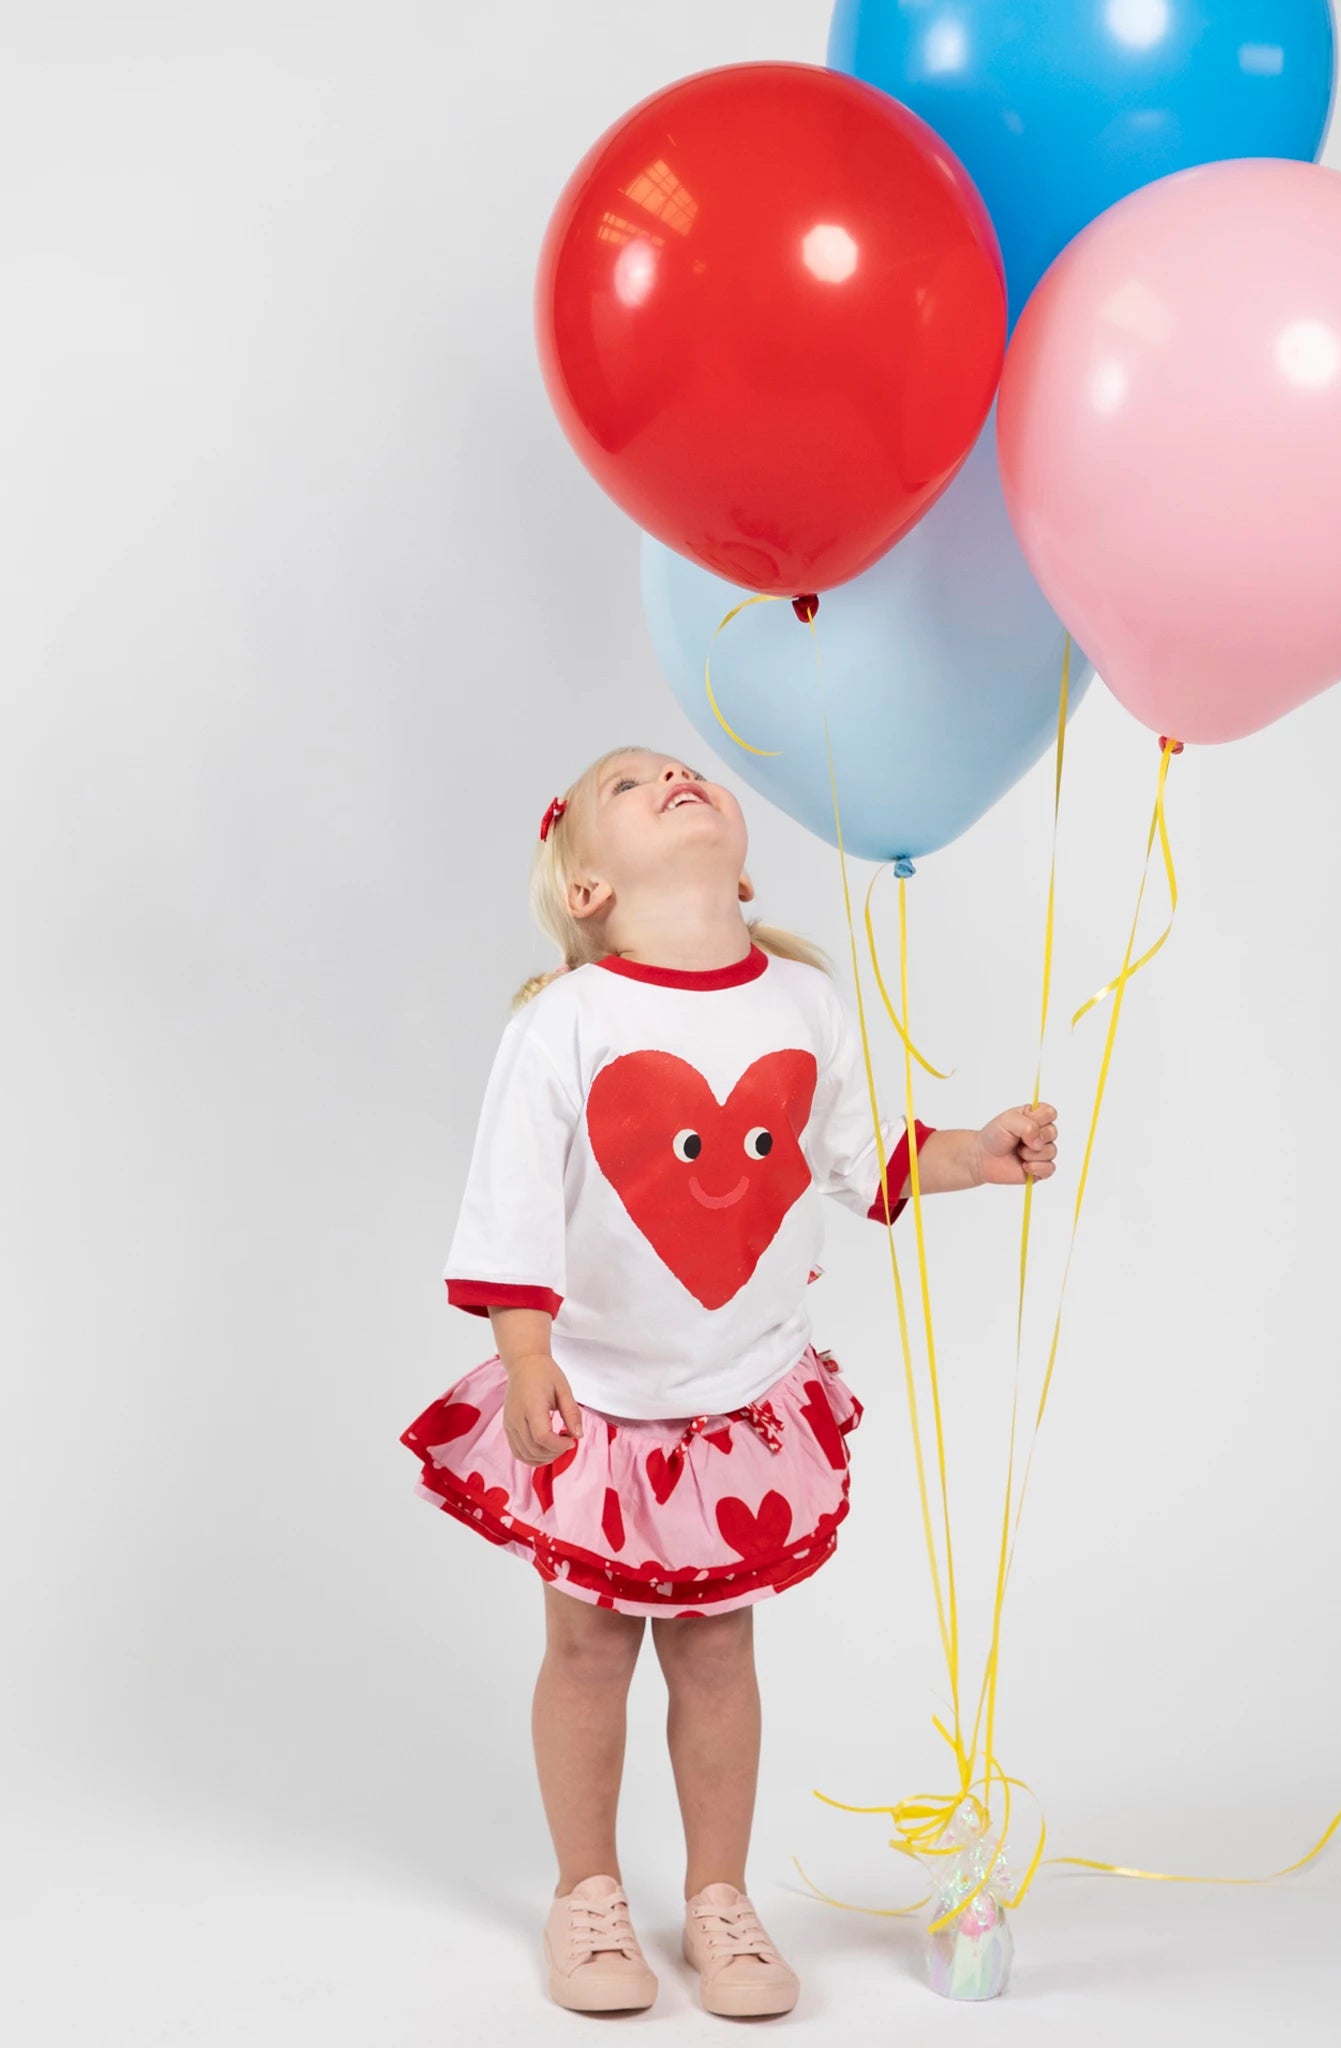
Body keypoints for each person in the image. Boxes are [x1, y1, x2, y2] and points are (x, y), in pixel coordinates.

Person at [400, 746, 1058, 2019]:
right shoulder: (565, 1021)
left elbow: (858, 1158)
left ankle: (719, 1896)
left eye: (682, 769)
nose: (671, 775)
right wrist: (527, 1355)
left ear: (745, 870)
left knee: (717, 1652)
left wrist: (976, 1151)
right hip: (598, 1402)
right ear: (586, 886)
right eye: (629, 783)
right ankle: (587, 1891)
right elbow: (512, 1209)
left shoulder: (803, 1000)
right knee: (587, 1646)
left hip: (738, 1400)